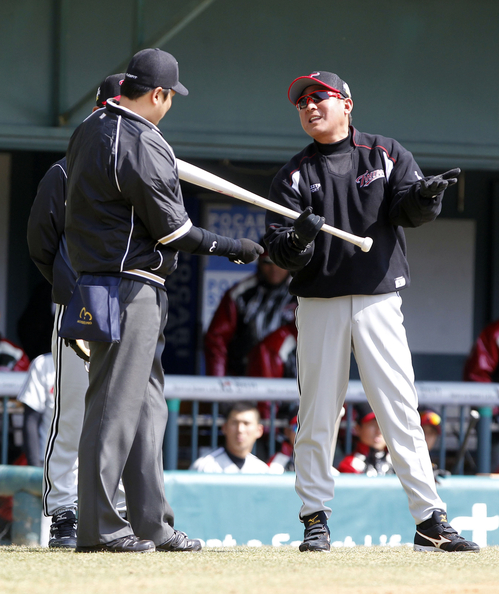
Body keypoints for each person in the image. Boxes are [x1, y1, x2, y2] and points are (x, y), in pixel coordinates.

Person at [264, 70, 478, 553]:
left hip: (380, 299)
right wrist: (298, 240)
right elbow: (278, 249)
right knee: (319, 414)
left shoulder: (385, 153)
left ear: (347, 104)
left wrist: (426, 198)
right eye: (302, 102)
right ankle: (315, 518)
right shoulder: (292, 175)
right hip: (318, 303)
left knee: (400, 410)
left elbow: (407, 210)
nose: (310, 106)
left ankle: (430, 519)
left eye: (320, 97)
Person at [64, 48, 262, 553]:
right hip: (127, 284)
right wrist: (234, 248)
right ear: (157, 94)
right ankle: (101, 528)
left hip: (107, 279)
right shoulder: (142, 139)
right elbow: (175, 232)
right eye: (170, 97)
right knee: (114, 406)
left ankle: (151, 523)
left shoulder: (88, 128)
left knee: (146, 409)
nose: (170, 105)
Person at [27, 73, 127, 549]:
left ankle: (119, 508)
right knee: (71, 413)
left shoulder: (140, 163)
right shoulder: (63, 171)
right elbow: (40, 245)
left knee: (124, 414)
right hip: (79, 307)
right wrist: (72, 291)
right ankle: (64, 512)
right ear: (99, 108)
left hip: (130, 306)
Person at [204, 241, 296, 377]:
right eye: (268, 262)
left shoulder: (301, 295)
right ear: (258, 261)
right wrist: (217, 386)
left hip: (293, 381)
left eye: (280, 262)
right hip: (245, 380)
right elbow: (216, 340)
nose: (274, 268)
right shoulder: (240, 294)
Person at [190, 402, 269, 473]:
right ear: (224, 427)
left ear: (259, 430)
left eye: (246, 423)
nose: (240, 430)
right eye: (235, 423)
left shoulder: (262, 470)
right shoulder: (204, 466)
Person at [16, 353, 55, 467]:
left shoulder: (99, 360)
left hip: (86, 459)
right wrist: (35, 465)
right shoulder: (44, 363)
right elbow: (31, 420)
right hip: (49, 459)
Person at [338, 403, 394, 476]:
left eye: (383, 425)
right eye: (373, 424)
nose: (379, 431)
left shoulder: (399, 461)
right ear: (357, 429)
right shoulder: (350, 464)